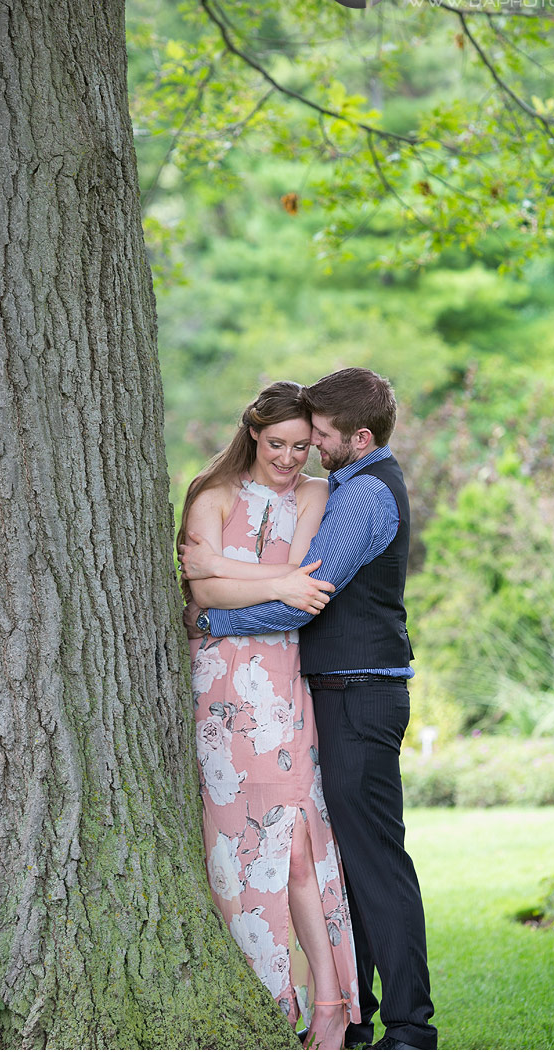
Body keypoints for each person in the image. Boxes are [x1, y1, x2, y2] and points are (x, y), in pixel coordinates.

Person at [182, 368, 437, 1052]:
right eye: (297, 435)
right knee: (344, 862)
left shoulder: (358, 497)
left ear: (358, 436)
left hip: (356, 694)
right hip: (328, 693)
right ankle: (357, 1014)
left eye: (319, 437)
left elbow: (311, 590)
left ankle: (410, 1028)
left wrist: (210, 620)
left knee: (375, 862)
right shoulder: (345, 485)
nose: (310, 448)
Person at [177, 381, 361, 1051]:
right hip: (219, 693)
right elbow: (202, 589)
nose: (288, 458)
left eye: (301, 446)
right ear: (253, 433)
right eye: (276, 444)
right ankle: (268, 1001)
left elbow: (299, 579)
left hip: (282, 686)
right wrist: (273, 581)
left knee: (297, 845)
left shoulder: (315, 494)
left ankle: (332, 1002)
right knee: (238, 849)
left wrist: (243, 570)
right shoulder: (212, 494)